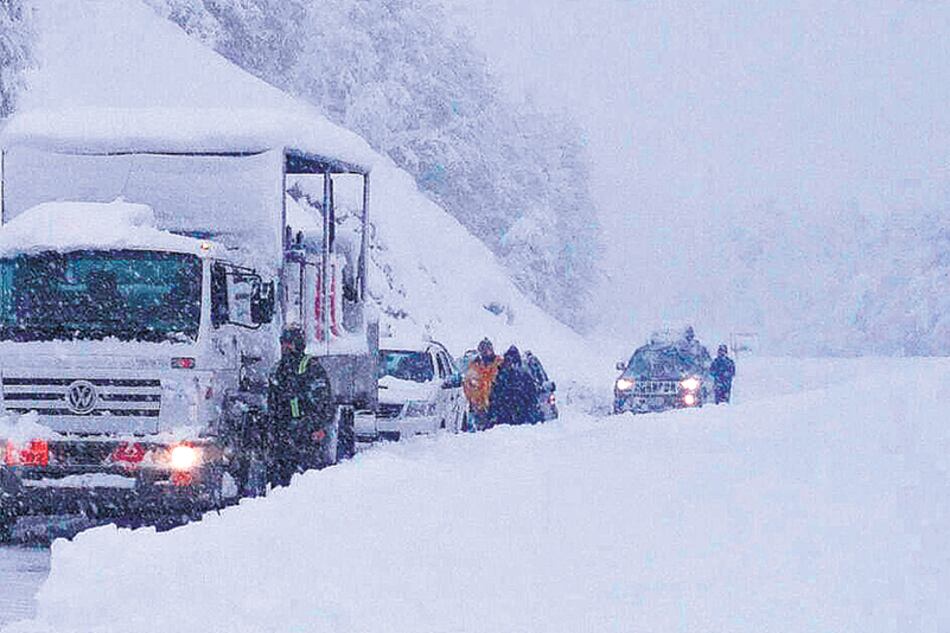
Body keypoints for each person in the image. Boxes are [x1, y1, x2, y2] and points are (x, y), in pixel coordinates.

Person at [267, 325, 335, 487]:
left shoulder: (311, 367)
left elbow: (323, 401)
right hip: (283, 435)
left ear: (298, 344)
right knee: (281, 482)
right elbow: (272, 402)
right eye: (283, 343)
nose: (285, 347)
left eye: (289, 343)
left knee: (307, 479)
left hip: (306, 433)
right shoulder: (278, 369)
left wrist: (319, 427)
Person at [489, 346, 542, 426]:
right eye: (509, 361)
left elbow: (532, 397)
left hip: (523, 418)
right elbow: (494, 397)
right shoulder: (501, 376)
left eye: (513, 360)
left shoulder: (524, 375)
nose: (511, 364)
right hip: (504, 419)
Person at [463, 338, 503, 430]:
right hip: (479, 408)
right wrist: (473, 401)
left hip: (497, 405)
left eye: (488, 349)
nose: (486, 352)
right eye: (483, 350)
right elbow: (468, 385)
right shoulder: (474, 366)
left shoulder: (499, 363)